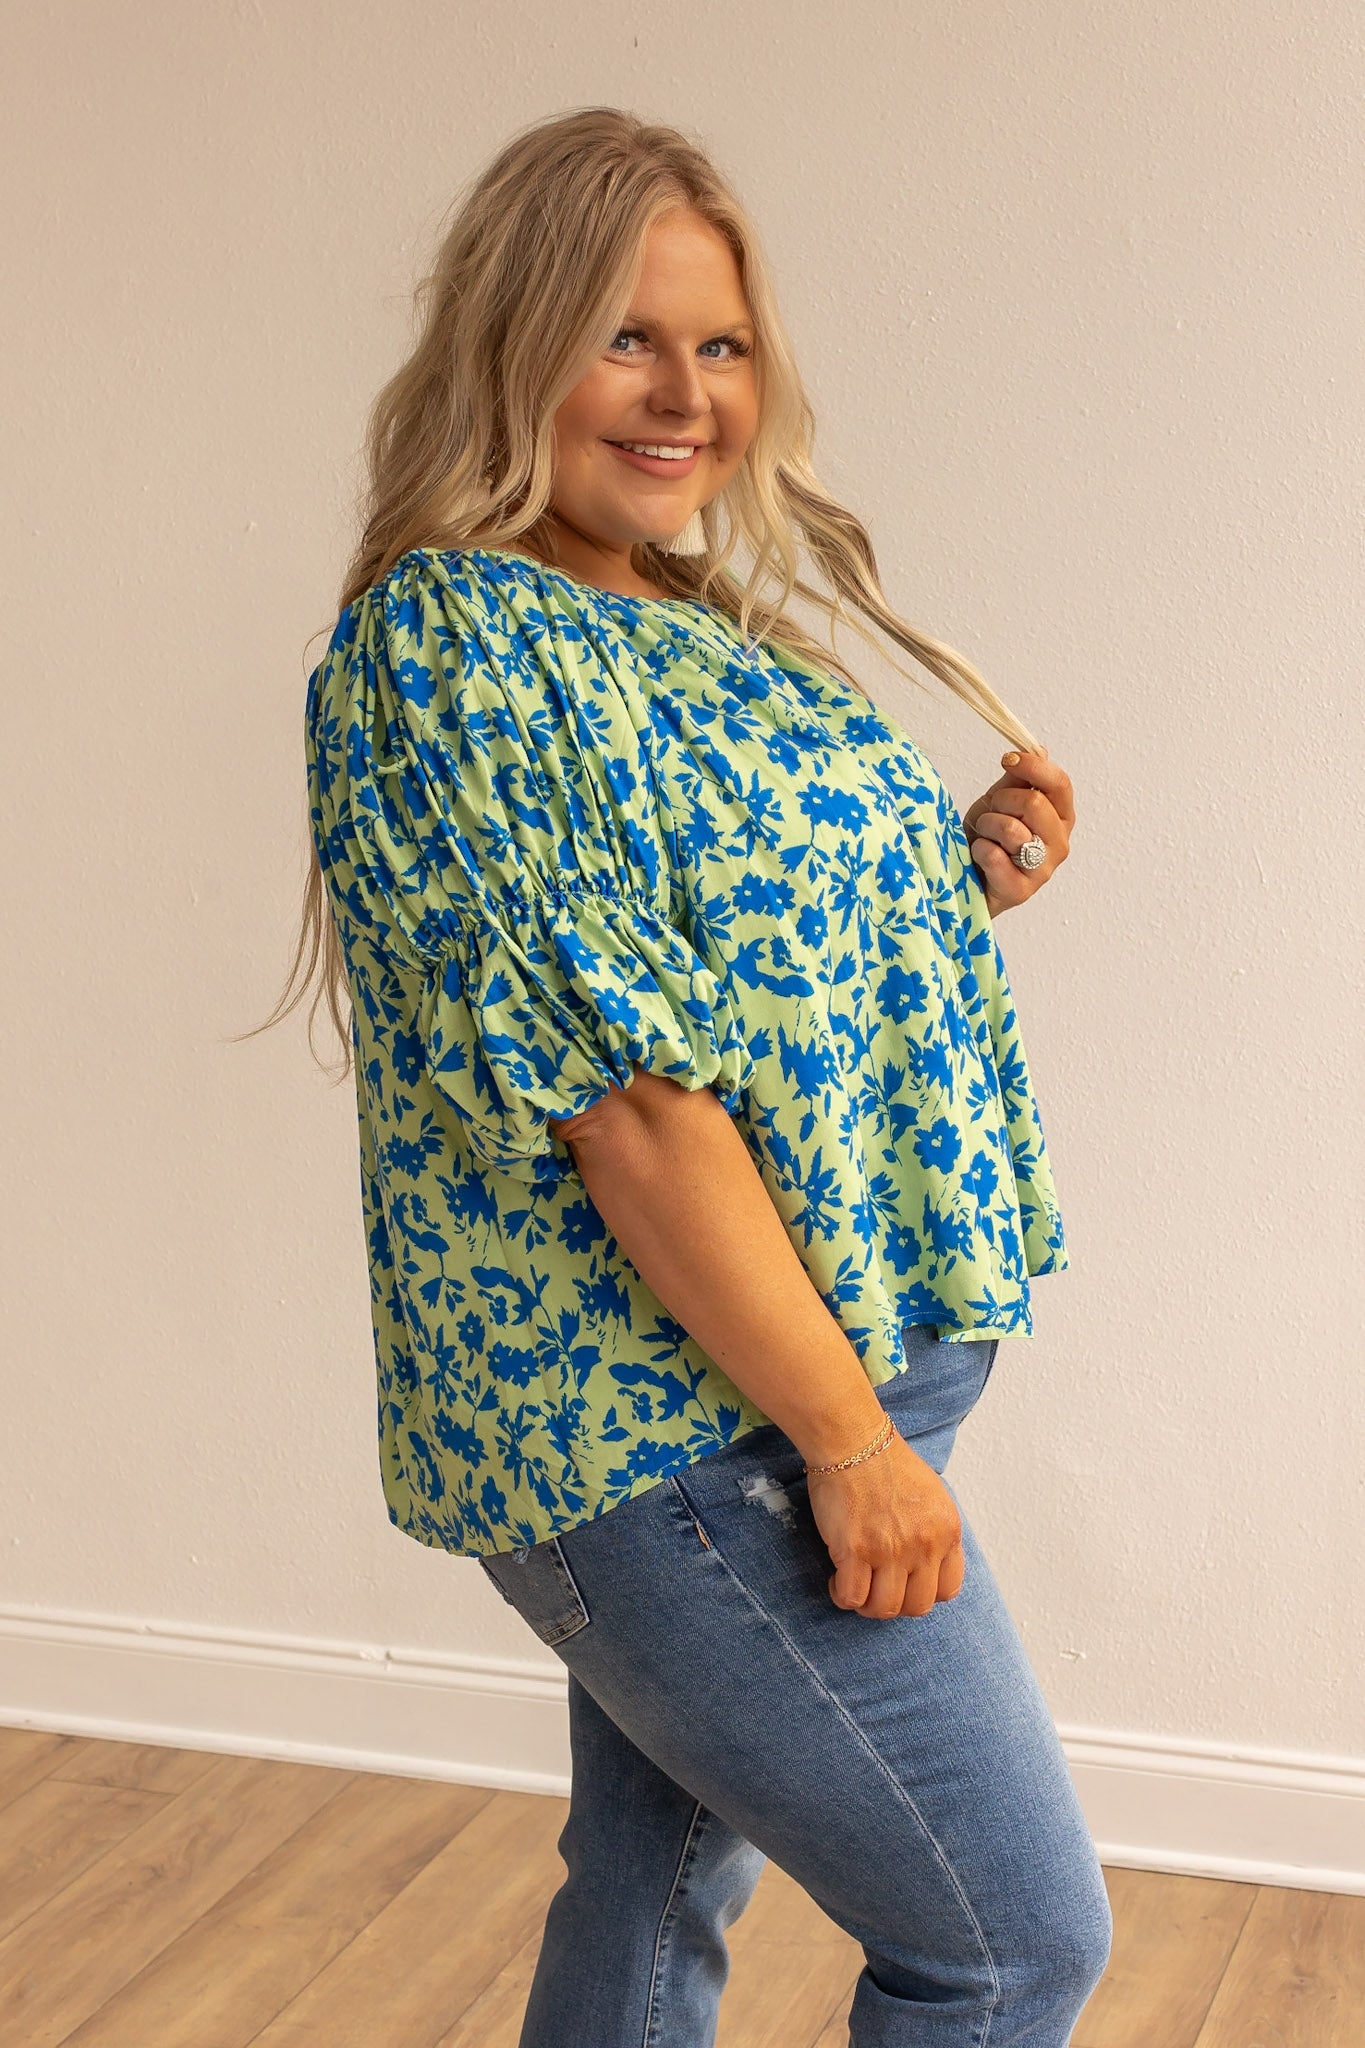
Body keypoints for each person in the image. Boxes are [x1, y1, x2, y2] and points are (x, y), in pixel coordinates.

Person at [267, 105, 1110, 2048]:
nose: (683, 394)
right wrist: (848, 1445)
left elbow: (718, 971)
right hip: (688, 1427)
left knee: (653, 1891)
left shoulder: (681, 617)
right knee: (1006, 1950)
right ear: (509, 346)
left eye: (718, 343)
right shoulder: (455, 641)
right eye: (622, 337)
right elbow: (629, 1102)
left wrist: (940, 882)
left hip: (780, 1385)